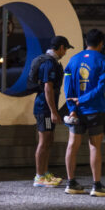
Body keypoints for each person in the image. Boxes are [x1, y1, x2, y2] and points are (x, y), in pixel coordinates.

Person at [62, 28, 105, 197]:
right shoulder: (103, 61)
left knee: (72, 145)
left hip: (76, 112)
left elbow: (68, 86)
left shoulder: (73, 60)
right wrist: (83, 100)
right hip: (94, 110)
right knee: (95, 147)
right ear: (101, 44)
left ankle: (70, 183)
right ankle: (96, 185)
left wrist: (73, 108)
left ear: (86, 42)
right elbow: (101, 88)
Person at [32, 35, 73, 187]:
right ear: (61, 47)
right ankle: (39, 176)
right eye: (66, 48)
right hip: (44, 109)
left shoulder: (51, 61)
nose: (66, 52)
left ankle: (44, 172)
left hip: (46, 108)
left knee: (49, 140)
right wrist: (53, 112)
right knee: (44, 141)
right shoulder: (49, 63)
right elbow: (48, 88)